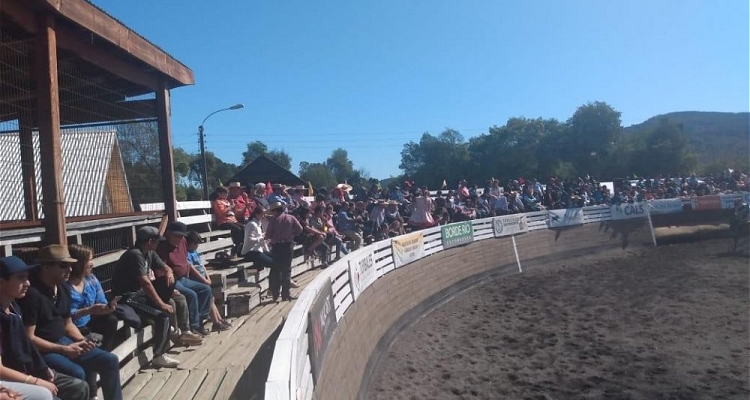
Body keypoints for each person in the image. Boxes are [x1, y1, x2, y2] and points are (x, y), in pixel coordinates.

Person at [16, 245, 122, 400]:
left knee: (110, 360)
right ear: (46, 267)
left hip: (65, 342)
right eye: (63, 265)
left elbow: (68, 324)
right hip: (44, 350)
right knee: (77, 373)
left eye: (71, 265)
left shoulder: (62, 288)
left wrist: (81, 341)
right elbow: (29, 338)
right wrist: (64, 349)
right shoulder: (33, 295)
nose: (70, 270)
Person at [0, 256, 89, 400]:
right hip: (13, 379)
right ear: (1, 283)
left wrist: (43, 369)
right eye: (20, 278)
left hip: (30, 370)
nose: (27, 283)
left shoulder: (14, 307)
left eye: (27, 278)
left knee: (79, 387)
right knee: (49, 395)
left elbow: (27, 346)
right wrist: (35, 381)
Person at [112, 226, 201, 367]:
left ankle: (175, 333)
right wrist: (160, 304)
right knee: (163, 316)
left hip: (139, 294)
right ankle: (158, 356)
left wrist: (169, 273)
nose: (159, 243)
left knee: (171, 303)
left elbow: (165, 268)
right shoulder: (135, 255)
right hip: (128, 297)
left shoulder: (150, 253)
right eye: (157, 241)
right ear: (149, 241)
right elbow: (145, 283)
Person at [157, 222, 218, 336]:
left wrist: (188, 275)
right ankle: (194, 326)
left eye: (181, 236)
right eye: (176, 236)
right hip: (172, 281)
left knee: (206, 289)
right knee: (191, 294)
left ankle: (200, 319)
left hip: (183, 278)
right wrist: (169, 288)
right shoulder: (162, 247)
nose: (179, 239)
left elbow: (186, 261)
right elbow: (160, 269)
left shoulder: (183, 242)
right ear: (169, 234)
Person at [65, 245, 119, 352]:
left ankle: (103, 351)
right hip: (74, 327)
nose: (92, 263)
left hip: (91, 321)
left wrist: (107, 308)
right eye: (89, 260)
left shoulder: (91, 279)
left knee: (111, 320)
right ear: (79, 262)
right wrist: (88, 310)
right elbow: (64, 316)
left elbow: (101, 301)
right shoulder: (65, 285)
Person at [184, 232, 231, 332]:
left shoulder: (195, 252)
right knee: (210, 299)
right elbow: (191, 268)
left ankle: (219, 319)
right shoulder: (187, 254)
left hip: (203, 279)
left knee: (211, 298)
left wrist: (207, 277)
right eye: (195, 244)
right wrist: (203, 280)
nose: (197, 246)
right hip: (196, 280)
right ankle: (216, 322)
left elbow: (202, 266)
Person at [265, 202, 303, 302]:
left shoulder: (273, 220)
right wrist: (291, 234)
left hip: (277, 246)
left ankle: (275, 293)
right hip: (288, 245)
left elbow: (268, 235)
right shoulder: (291, 218)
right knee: (286, 270)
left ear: (275, 211)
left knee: (276, 270)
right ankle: (286, 294)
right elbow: (300, 229)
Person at [211, 186, 245, 257]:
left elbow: (234, 213)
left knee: (244, 228)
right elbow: (221, 213)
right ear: (219, 194)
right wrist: (231, 207)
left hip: (232, 221)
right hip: (224, 222)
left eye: (227, 194)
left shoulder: (227, 202)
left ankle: (241, 248)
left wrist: (234, 206)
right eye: (224, 193)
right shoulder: (218, 202)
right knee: (237, 230)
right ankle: (235, 249)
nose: (226, 195)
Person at [240, 207, 274, 272]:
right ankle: (275, 281)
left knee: (276, 258)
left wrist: (267, 251)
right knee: (272, 263)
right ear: (256, 214)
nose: (264, 216)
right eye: (262, 214)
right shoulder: (251, 224)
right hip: (250, 252)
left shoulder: (258, 224)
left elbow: (262, 241)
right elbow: (249, 239)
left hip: (258, 250)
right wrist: (261, 237)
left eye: (265, 214)